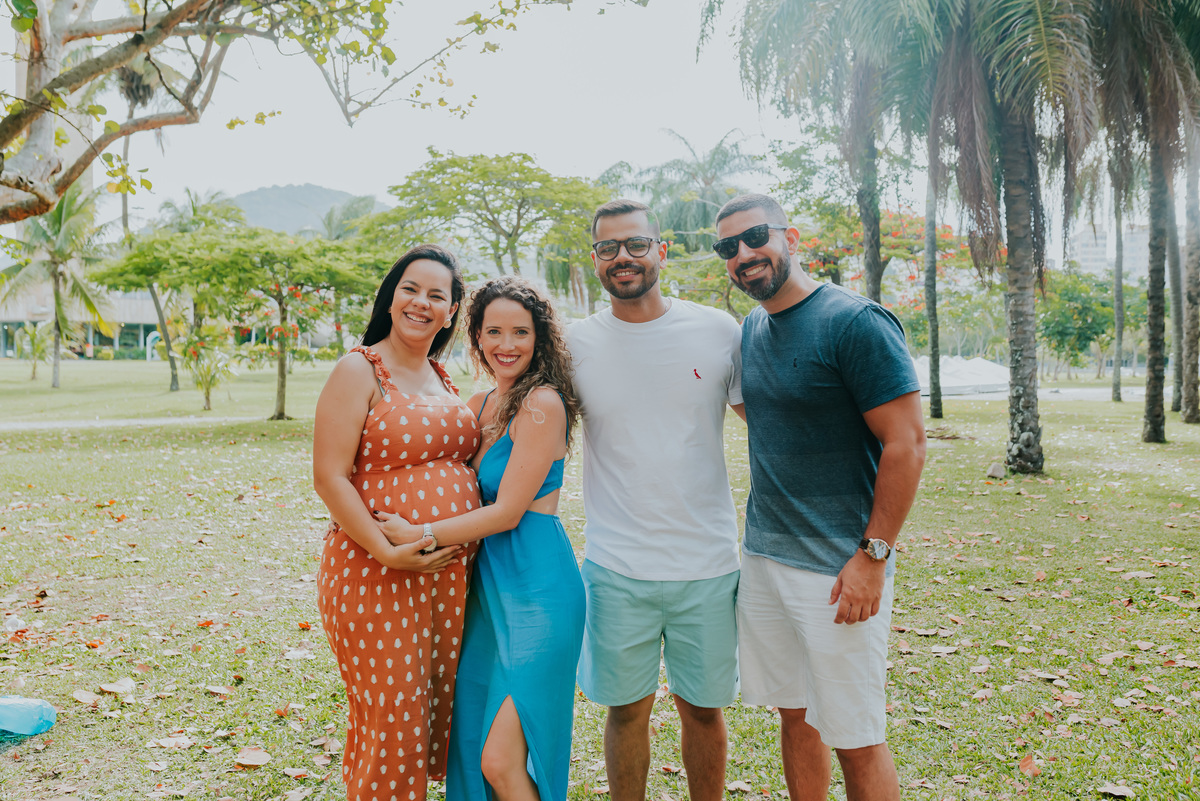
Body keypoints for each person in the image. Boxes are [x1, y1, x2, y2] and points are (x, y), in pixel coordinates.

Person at [713, 193, 926, 801]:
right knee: (796, 715)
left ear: (792, 238)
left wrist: (872, 557)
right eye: (728, 246)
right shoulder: (754, 327)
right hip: (764, 560)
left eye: (756, 237)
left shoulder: (854, 322)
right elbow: (768, 417)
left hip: (837, 570)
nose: (744, 254)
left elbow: (908, 444)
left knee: (856, 735)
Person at [375, 275, 585, 801]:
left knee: (501, 759)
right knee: (473, 744)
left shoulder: (542, 403)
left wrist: (420, 533)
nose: (506, 345)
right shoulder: (479, 403)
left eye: (520, 332)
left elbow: (508, 512)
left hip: (538, 588)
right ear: (476, 336)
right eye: (494, 331)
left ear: (540, 338)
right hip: (485, 592)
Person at [568, 198, 744, 801]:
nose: (623, 257)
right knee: (625, 712)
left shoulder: (720, 332)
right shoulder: (574, 344)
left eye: (637, 244)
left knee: (703, 711)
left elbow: (771, 424)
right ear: (595, 259)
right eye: (608, 247)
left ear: (661, 251)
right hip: (616, 566)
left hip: (708, 564)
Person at [312, 243, 481, 801]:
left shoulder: (444, 376)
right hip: (374, 571)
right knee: (392, 716)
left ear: (451, 312)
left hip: (447, 578)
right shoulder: (358, 369)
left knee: (428, 713)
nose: (420, 303)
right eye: (410, 289)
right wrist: (386, 550)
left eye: (437, 295)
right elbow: (330, 477)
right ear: (390, 298)